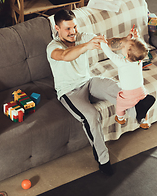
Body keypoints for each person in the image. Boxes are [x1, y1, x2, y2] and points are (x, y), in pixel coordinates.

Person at [46, 9, 130, 176]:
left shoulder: (81, 36)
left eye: (75, 27)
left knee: (113, 86)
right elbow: (64, 56)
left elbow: (107, 43)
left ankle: (139, 107)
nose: (73, 32)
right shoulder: (53, 47)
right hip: (69, 92)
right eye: (68, 29)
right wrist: (86, 46)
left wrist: (127, 40)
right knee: (91, 116)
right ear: (57, 28)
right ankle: (103, 159)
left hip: (88, 82)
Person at [100, 28, 156, 129]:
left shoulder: (122, 63)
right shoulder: (139, 61)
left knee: (120, 104)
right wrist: (136, 38)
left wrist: (103, 43)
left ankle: (120, 119)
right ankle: (144, 121)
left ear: (127, 54)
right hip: (141, 91)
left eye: (124, 46)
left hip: (128, 94)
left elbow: (110, 55)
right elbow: (140, 50)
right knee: (143, 110)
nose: (123, 45)